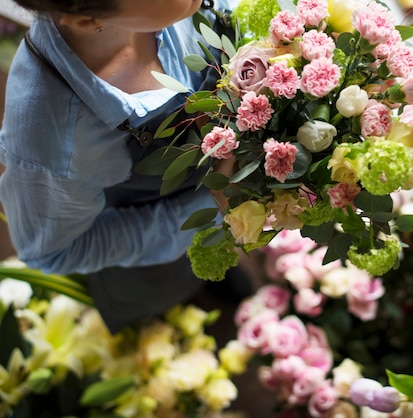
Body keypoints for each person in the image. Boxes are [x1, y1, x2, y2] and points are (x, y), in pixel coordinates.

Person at [0, 0, 251, 333]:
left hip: (220, 193)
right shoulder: (51, 141)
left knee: (221, 262)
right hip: (151, 245)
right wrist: (211, 206)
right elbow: (54, 252)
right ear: (87, 19)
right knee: (172, 296)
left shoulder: (166, 8)